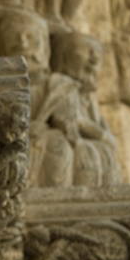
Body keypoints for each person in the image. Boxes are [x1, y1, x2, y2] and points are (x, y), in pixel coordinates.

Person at [29, 32, 122, 187]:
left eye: (97, 53)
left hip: (71, 141)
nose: (94, 59)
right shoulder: (64, 85)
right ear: (63, 58)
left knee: (103, 152)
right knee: (82, 151)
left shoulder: (89, 102)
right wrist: (104, 136)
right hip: (48, 140)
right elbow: (70, 121)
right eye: (86, 51)